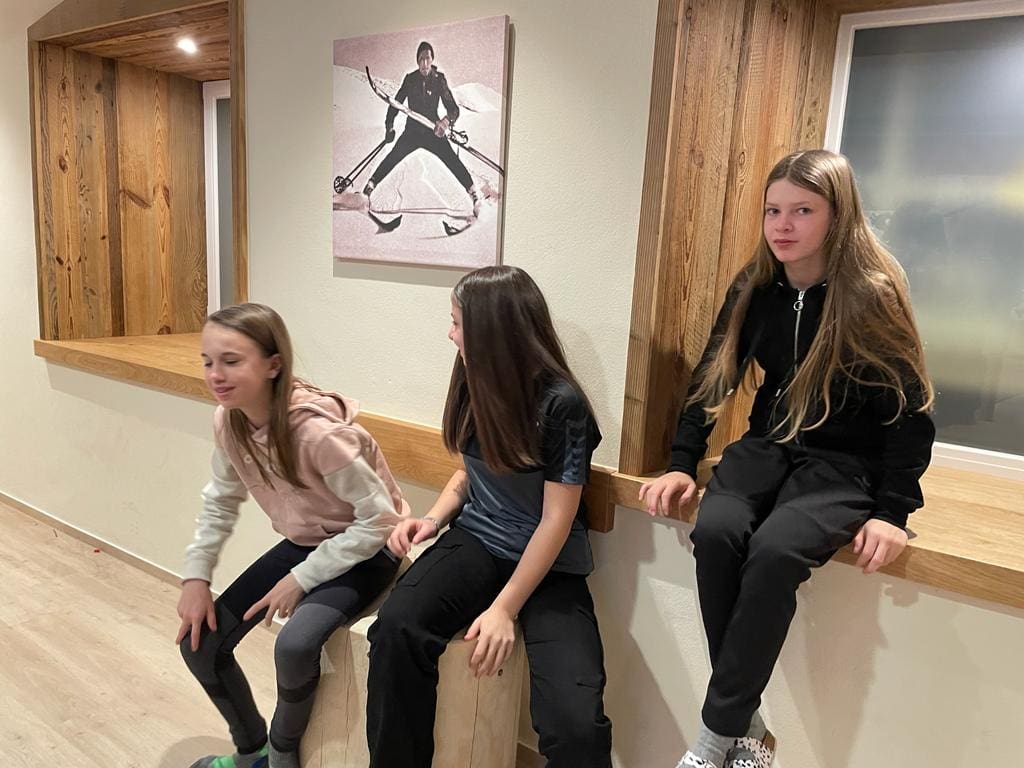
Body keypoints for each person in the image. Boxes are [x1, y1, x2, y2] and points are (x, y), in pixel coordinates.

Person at [639, 150, 936, 768]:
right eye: (773, 210)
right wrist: (681, 462)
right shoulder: (756, 287)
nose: (783, 224)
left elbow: (910, 413)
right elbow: (713, 377)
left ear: (837, 216)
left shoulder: (870, 296)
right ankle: (746, 726)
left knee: (774, 552)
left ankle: (712, 741)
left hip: (843, 466)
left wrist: (893, 512)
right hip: (766, 449)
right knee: (716, 532)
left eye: (803, 210)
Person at [364, 266, 613, 767]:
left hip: (550, 564)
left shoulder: (561, 404)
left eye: (457, 322)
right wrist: (433, 520)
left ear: (494, 329)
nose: (450, 333)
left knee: (576, 725)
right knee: (396, 630)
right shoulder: (473, 379)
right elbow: (470, 472)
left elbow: (555, 521)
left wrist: (503, 609)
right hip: (478, 541)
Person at [177, 303, 407, 768]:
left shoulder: (318, 435)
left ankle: (283, 757)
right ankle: (253, 750)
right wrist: (196, 577)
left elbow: (380, 520)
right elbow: (220, 500)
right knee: (199, 644)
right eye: (207, 361)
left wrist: (301, 578)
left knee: (295, 644)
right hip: (307, 545)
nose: (215, 374)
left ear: (273, 365)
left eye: (231, 361)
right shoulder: (230, 420)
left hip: (369, 550)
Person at [363, 40, 482, 216]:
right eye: (421, 59)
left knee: (451, 159)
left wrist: (445, 122)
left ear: (432, 60)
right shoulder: (410, 79)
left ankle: (475, 196)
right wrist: (389, 127)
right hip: (412, 132)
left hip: (433, 131)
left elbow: (453, 109)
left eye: (427, 59)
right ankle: (368, 189)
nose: (424, 63)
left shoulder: (438, 79)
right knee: (393, 157)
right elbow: (395, 104)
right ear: (417, 61)